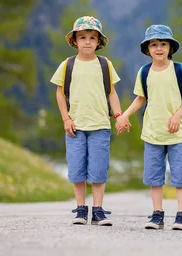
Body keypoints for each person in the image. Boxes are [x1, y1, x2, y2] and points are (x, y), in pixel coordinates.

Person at [50, 16, 129, 226]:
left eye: (92, 38)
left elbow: (112, 93)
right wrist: (66, 119)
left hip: (100, 126)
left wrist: (119, 115)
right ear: (74, 41)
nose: (87, 41)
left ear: (98, 42)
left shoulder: (105, 65)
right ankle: (80, 209)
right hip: (75, 126)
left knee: (99, 170)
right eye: (82, 37)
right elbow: (60, 94)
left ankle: (98, 210)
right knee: (76, 169)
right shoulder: (67, 65)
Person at [117, 24, 182, 230]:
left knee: (181, 175)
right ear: (147, 49)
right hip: (152, 133)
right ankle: (157, 215)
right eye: (154, 44)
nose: (159, 48)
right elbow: (140, 98)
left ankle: (181, 215)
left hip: (178, 133)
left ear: (170, 48)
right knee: (154, 177)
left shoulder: (179, 69)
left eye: (163, 44)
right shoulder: (144, 72)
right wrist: (124, 115)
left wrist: (178, 115)